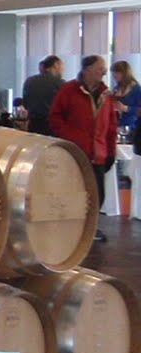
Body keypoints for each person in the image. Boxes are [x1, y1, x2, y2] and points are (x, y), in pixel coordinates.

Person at [50, 55, 117, 243]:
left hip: (98, 153)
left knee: (97, 193)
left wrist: (111, 151)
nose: (104, 72)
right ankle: (72, 227)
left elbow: (111, 125)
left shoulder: (106, 95)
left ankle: (90, 227)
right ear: (87, 70)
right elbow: (55, 117)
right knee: (74, 192)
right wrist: (69, 137)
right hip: (75, 152)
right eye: (100, 68)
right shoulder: (68, 90)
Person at [22, 56, 64, 135]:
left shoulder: (29, 81)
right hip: (52, 126)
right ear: (56, 65)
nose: (62, 70)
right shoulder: (60, 83)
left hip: (33, 124)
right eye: (62, 66)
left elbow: (25, 104)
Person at [111, 61, 141, 140]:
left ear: (125, 73)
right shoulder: (116, 88)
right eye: (113, 72)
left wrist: (125, 108)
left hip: (131, 127)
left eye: (117, 72)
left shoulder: (136, 89)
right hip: (117, 126)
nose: (114, 75)